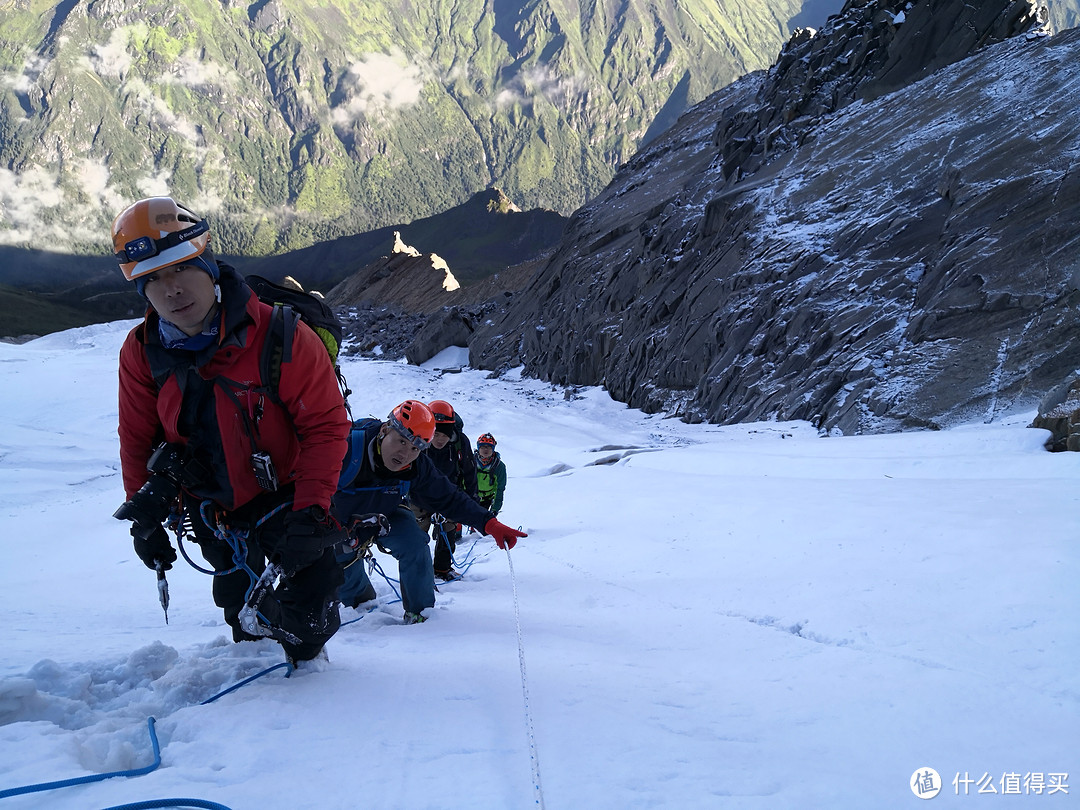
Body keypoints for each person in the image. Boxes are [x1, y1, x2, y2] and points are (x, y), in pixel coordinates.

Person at [113, 196, 350, 665]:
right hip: (210, 503)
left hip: (288, 496)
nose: (171, 290)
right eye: (152, 279)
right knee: (239, 607)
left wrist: (312, 511)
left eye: (180, 268)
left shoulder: (280, 336)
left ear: (207, 264)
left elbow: (325, 427)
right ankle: (255, 690)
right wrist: (144, 515)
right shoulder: (141, 353)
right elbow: (137, 438)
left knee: (309, 618)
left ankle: (306, 674)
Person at [334, 400, 526, 623]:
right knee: (342, 559)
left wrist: (489, 523)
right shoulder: (346, 449)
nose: (405, 453)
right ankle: (360, 603)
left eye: (415, 448)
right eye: (402, 441)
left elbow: (449, 497)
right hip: (340, 519)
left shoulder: (417, 466)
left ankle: (421, 613)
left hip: (388, 513)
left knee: (414, 543)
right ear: (386, 430)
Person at [410, 399, 478, 581]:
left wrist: (472, 499)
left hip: (449, 495)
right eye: (436, 434)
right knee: (417, 537)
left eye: (444, 435)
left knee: (447, 533)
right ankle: (418, 573)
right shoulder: (418, 438)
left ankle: (441, 569)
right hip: (419, 496)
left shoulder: (460, 442)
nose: (440, 440)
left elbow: (469, 470)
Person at [474, 433, 507, 516]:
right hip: (470, 497)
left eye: (488, 447)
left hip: (486, 500)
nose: (486, 450)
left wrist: (495, 508)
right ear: (478, 448)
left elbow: (499, 489)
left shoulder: (499, 467)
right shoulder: (470, 461)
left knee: (481, 524)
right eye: (482, 446)